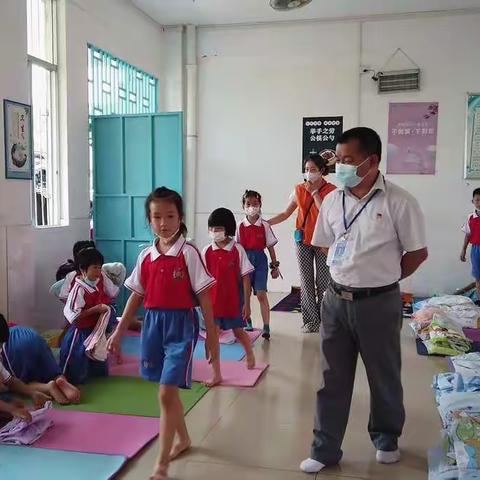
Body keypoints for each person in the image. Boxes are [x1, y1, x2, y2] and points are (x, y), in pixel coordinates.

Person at [300, 127, 428, 474]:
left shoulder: (400, 201)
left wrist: (381, 276)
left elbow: (417, 253)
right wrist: (350, 271)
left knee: (383, 374)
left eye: (348, 160)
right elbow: (324, 243)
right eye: (337, 160)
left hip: (379, 303)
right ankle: (324, 449)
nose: (339, 167)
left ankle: (386, 438)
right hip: (336, 301)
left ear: (372, 161)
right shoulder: (331, 199)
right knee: (332, 377)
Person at [106, 187, 220, 480]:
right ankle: (183, 439)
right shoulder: (145, 256)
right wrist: (118, 332)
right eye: (157, 217)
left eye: (170, 216)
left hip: (181, 327)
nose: (163, 222)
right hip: (152, 327)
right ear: (149, 220)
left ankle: (161, 466)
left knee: (165, 391)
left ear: (180, 218)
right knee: (168, 394)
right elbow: (134, 297)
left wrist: (212, 336)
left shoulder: (189, 253)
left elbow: (205, 297)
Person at [268, 153, 336, 333]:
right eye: (306, 170)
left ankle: (325, 321)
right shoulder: (299, 189)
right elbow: (286, 213)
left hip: (323, 242)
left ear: (322, 171)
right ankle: (310, 321)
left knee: (323, 281)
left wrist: (314, 192)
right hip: (303, 241)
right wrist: (266, 223)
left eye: (313, 170)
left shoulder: (332, 190)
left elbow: (326, 214)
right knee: (306, 282)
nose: (309, 173)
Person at [203, 207, 256, 368]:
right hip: (213, 303)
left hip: (232, 302)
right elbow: (202, 282)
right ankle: (216, 371)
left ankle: (249, 353)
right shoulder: (206, 251)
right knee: (213, 334)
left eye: (218, 228)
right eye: (211, 228)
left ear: (228, 229)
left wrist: (247, 304)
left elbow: (246, 278)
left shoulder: (237, 250)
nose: (214, 232)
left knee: (239, 332)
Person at [59, 247, 119, 384]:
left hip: (94, 330)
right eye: (95, 268)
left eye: (100, 268)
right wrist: (96, 309)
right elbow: (74, 316)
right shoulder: (78, 289)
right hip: (80, 332)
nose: (99, 272)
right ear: (83, 269)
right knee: (75, 366)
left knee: (97, 359)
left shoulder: (96, 283)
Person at [0, 314, 80, 405]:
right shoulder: (7, 327)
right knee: (51, 370)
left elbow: (10, 382)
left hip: (14, 345)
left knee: (18, 383)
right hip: (32, 335)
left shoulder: (4, 343)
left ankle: (48, 387)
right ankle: (61, 380)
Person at [237, 190, 280, 339]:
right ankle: (247, 321)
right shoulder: (239, 226)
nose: (252, 207)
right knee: (244, 294)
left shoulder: (265, 226)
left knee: (261, 294)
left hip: (260, 260)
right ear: (243, 206)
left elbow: (270, 246)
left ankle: (266, 326)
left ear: (260, 205)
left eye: (255, 204)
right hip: (244, 261)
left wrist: (275, 266)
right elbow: (235, 249)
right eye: (248, 204)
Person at [461, 188, 480, 302]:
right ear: (472, 201)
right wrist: (463, 249)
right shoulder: (470, 217)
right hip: (476, 250)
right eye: (477, 200)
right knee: (478, 277)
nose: (479, 202)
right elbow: (468, 234)